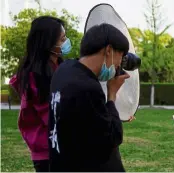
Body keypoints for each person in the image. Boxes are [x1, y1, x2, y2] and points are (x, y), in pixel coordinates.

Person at [48, 23, 130, 172]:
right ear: (109, 50)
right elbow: (113, 137)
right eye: (121, 56)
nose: (119, 65)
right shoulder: (87, 87)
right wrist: (112, 94)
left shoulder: (64, 69)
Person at [9, 16, 71, 172]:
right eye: (62, 39)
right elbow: (52, 116)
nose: (66, 42)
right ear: (47, 43)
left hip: (66, 147)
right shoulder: (34, 77)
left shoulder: (61, 66)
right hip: (48, 153)